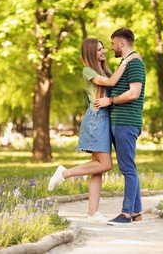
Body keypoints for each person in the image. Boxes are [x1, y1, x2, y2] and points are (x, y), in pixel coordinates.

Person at [48, 37, 141, 222]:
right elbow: (111, 83)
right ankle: (65, 173)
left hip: (105, 120)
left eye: (103, 48)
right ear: (91, 53)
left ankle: (93, 213)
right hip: (96, 121)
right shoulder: (88, 71)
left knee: (97, 169)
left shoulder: (104, 70)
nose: (103, 51)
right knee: (106, 164)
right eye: (99, 50)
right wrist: (127, 60)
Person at [95, 28, 146, 225]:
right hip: (121, 122)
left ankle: (126, 215)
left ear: (122, 43)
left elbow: (133, 93)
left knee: (127, 168)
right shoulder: (127, 63)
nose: (111, 47)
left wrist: (111, 101)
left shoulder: (135, 64)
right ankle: (136, 211)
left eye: (113, 43)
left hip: (126, 122)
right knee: (129, 166)